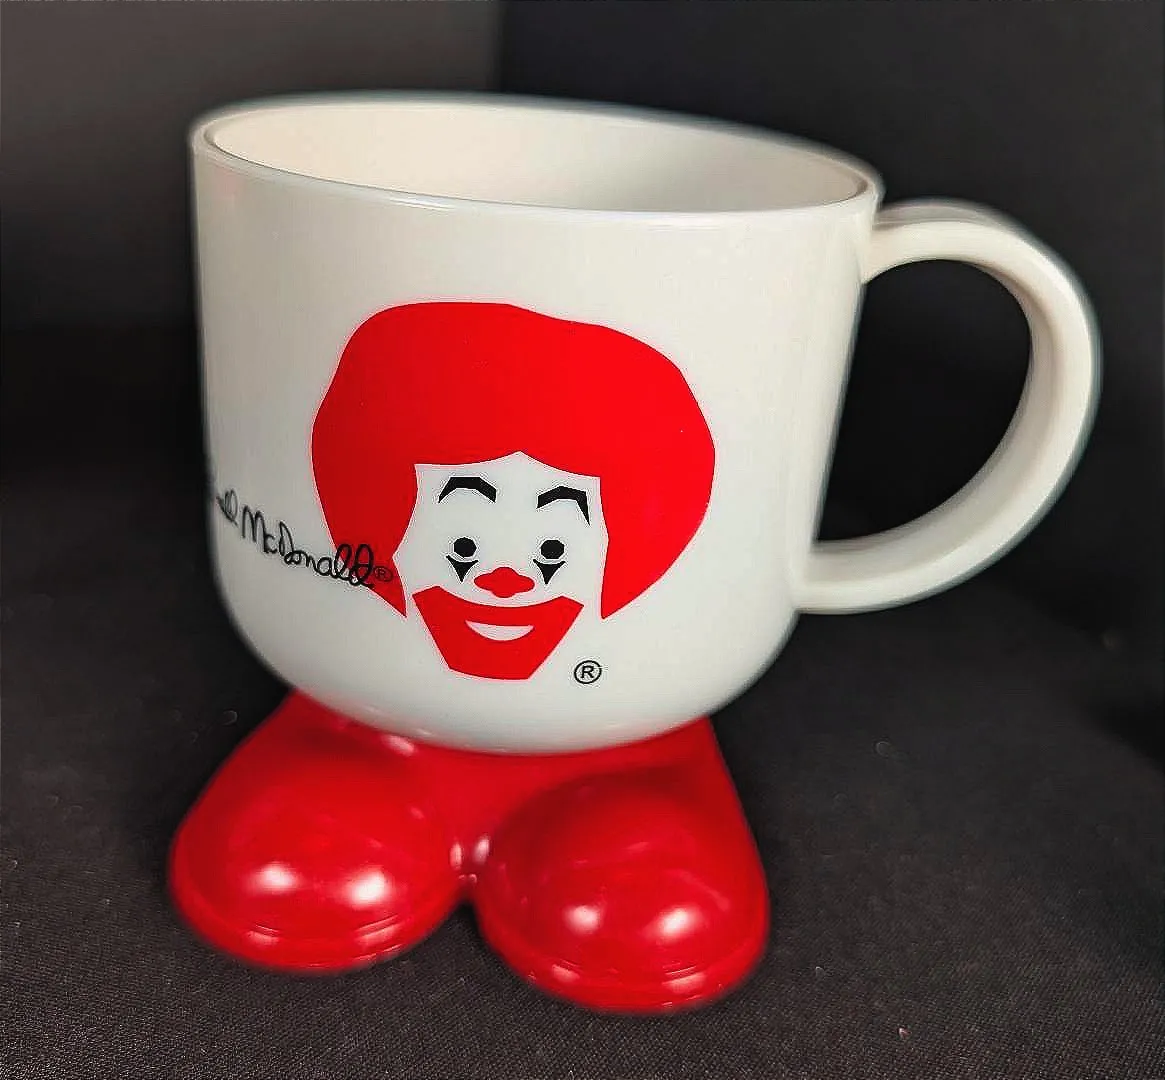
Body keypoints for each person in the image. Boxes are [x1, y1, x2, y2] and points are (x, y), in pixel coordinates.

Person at [170, 303, 768, 1012]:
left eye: (553, 549)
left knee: (648, 903)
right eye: (462, 545)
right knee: (286, 850)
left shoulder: (662, 670)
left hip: (642, 751)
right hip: (346, 715)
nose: (504, 581)